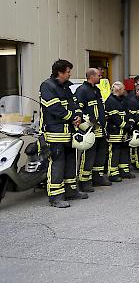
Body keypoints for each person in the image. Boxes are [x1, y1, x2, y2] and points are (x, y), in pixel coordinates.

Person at [39, 59, 86, 208]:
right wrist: (72, 117)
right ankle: (56, 196)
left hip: (69, 132)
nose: (70, 74)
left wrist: (78, 115)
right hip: (54, 132)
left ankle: (71, 191)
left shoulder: (67, 86)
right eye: (68, 71)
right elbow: (54, 108)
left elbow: (75, 103)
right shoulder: (47, 86)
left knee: (71, 160)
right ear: (59, 72)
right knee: (57, 163)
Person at [75, 68, 111, 191]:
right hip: (90, 129)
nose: (101, 78)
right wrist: (86, 123)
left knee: (100, 154)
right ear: (91, 76)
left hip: (100, 128)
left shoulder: (96, 90)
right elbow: (78, 110)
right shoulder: (82, 90)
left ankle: (98, 178)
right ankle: (84, 182)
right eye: (99, 76)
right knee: (88, 156)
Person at [105, 81, 134, 182]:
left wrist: (130, 123)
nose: (125, 91)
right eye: (123, 89)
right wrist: (126, 126)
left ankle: (124, 171)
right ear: (118, 89)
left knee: (124, 150)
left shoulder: (122, 100)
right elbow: (115, 118)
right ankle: (113, 173)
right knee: (114, 152)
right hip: (115, 132)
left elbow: (127, 113)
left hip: (124, 132)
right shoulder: (110, 101)